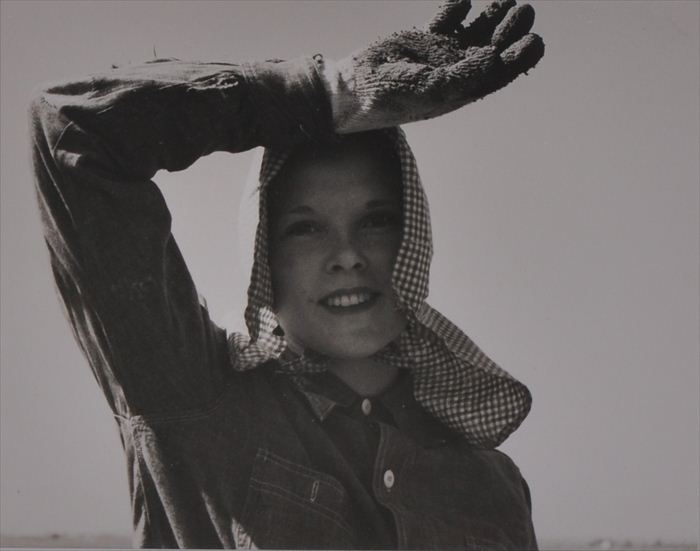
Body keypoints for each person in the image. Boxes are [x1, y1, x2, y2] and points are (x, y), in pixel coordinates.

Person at [29, 0, 544, 548]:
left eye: (376, 221)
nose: (346, 255)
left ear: (414, 234)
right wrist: (326, 93)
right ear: (263, 254)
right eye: (306, 228)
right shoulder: (195, 400)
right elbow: (70, 127)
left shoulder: (492, 482)